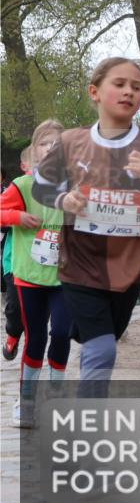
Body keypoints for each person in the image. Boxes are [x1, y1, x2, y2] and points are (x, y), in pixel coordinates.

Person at [32, 57, 140, 397]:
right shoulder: (70, 142)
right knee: (102, 350)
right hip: (79, 265)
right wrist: (64, 200)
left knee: (101, 344)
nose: (129, 92)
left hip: (126, 271)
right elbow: (40, 187)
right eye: (119, 84)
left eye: (136, 87)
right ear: (95, 92)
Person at [1, 122, 70, 427]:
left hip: (65, 276)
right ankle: (26, 401)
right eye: (45, 144)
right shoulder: (22, 185)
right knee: (36, 338)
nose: (51, 149)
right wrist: (17, 216)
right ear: (34, 151)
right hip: (29, 277)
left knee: (63, 332)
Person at [2, 152, 31, 362]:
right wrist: (18, 217)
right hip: (15, 261)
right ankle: (13, 333)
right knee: (14, 307)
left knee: (35, 313)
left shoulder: (58, 189)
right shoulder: (18, 189)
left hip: (46, 266)